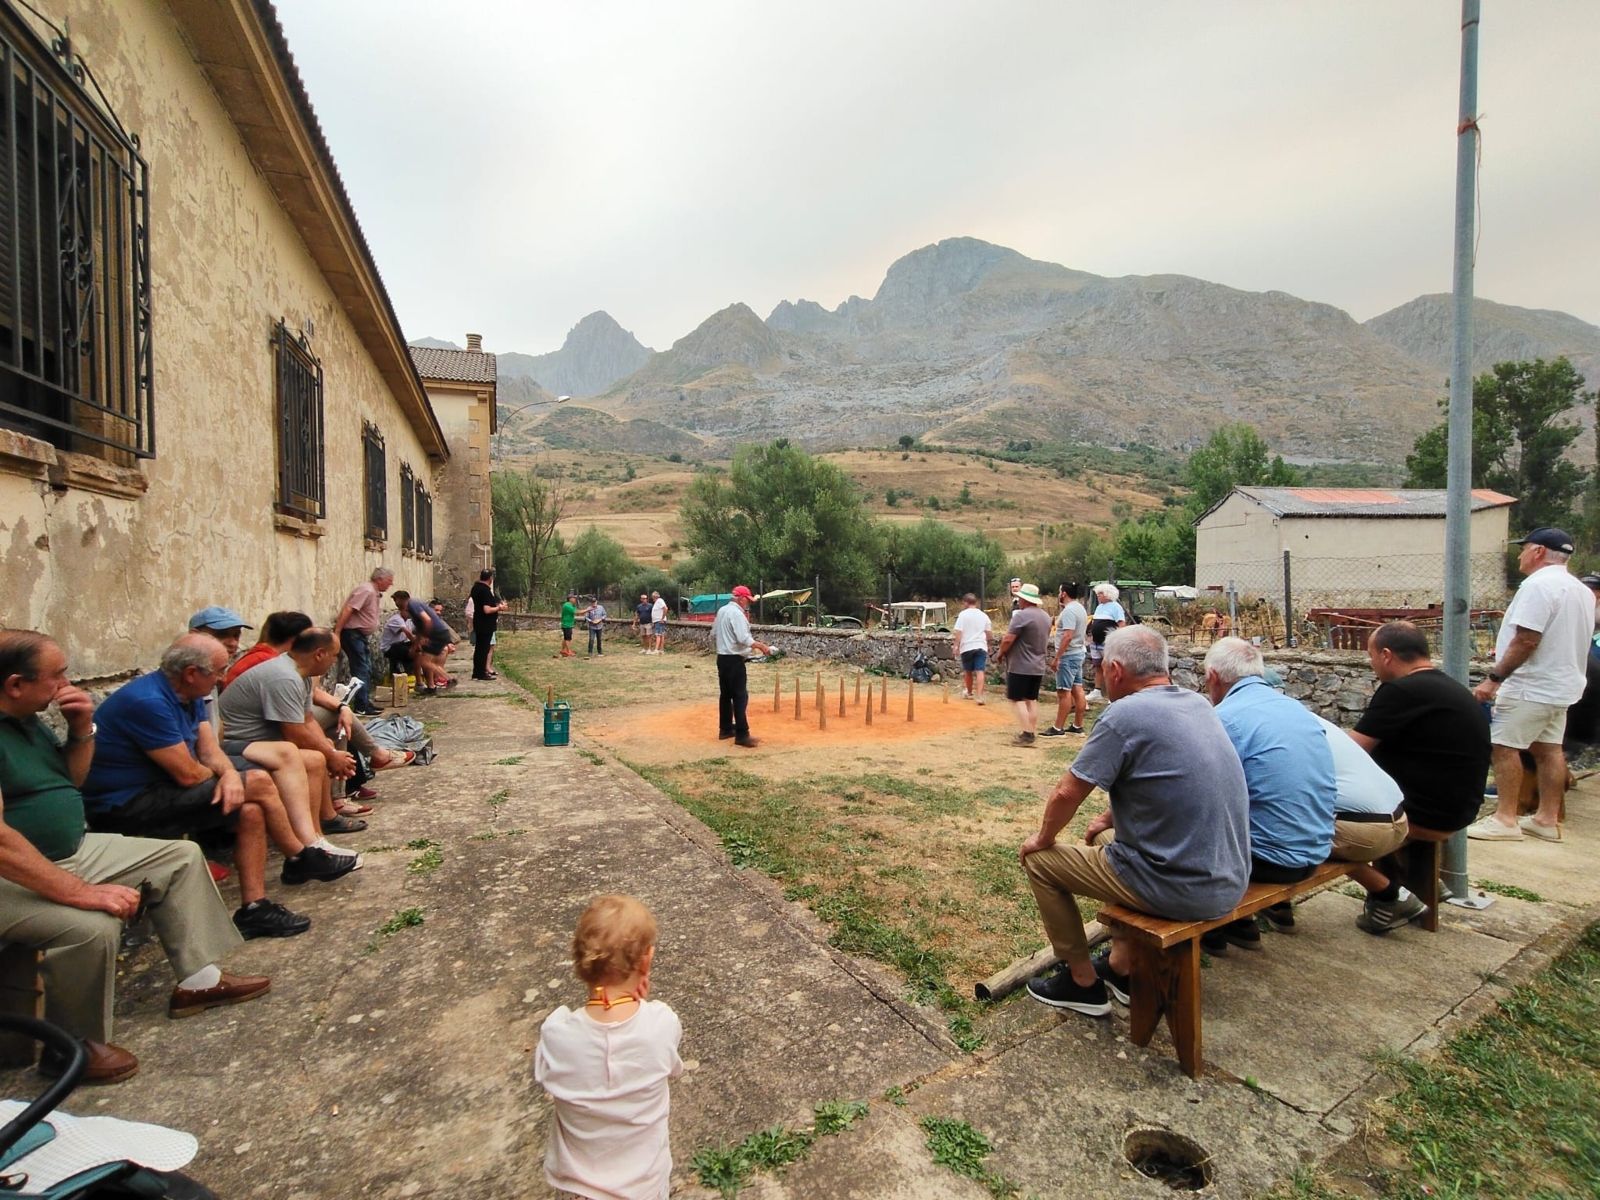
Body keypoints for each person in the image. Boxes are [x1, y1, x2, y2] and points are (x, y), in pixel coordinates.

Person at [0, 631, 272, 1084]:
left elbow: (71, 781)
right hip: (17, 872)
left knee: (181, 857)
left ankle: (199, 983)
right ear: (15, 684)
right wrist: (80, 892)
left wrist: (82, 730)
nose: (68, 682)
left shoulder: (27, 720)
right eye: (58, 674)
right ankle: (70, 1047)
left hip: (68, 850)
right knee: (89, 927)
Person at [1020, 626, 1250, 1016]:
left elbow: (1067, 793)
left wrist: (1043, 837)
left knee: (1040, 863)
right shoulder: (1197, 704)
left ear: (1114, 669)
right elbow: (1172, 782)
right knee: (1112, 841)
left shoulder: (1123, 713)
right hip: (1230, 877)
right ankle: (1121, 967)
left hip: (1182, 890)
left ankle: (1081, 983)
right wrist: (1107, 818)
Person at [80, 635, 326, 937]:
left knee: (250, 809)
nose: (223, 678)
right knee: (259, 781)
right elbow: (187, 774)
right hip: (124, 804)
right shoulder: (148, 703)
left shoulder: (191, 695)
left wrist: (231, 776)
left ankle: (254, 908)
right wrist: (233, 777)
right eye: (219, 671)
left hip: (164, 790)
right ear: (192, 673)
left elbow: (210, 752)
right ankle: (302, 856)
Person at [535, 894, 683, 1200]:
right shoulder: (661, 1024)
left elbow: (548, 1074)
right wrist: (640, 1003)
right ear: (646, 960)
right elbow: (669, 1067)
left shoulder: (557, 1032)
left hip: (581, 1187)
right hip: (646, 1184)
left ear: (581, 965)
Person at [1348, 621, 1490, 932]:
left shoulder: (1401, 691)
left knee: (1317, 827)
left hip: (1426, 814)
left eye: (1371, 657)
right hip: (1459, 807)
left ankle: (1388, 897)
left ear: (1386, 655)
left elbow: (1352, 750)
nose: (1371, 665)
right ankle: (1423, 883)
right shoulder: (1449, 686)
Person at [1201, 637, 1336, 954]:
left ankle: (1212, 929)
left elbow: (1201, 797)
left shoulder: (1227, 718)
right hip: (1316, 849)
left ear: (1212, 676)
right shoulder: (1295, 708)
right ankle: (1240, 924)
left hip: (1270, 860)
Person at [1468, 527, 1594, 842]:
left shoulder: (1537, 586)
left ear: (1538, 551)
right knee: (1548, 749)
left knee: (1503, 745)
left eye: (1524, 549)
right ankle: (1547, 819)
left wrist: (1494, 679)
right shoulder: (1578, 589)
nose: (1520, 555)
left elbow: (1527, 639)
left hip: (1531, 684)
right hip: (1563, 684)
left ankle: (1505, 819)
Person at [711, 586, 772, 748]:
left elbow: (714, 634)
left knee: (725, 695)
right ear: (741, 598)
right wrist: (762, 646)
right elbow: (743, 637)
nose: (748, 604)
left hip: (722, 658)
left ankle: (725, 729)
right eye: (747, 600)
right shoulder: (737, 613)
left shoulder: (722, 611)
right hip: (734, 660)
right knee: (740, 696)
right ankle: (742, 734)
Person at [994, 583, 1050, 747]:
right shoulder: (1046, 617)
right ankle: (1031, 731)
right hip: (1038, 664)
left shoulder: (1021, 616)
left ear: (1024, 600)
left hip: (1020, 665)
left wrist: (1001, 653)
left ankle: (1027, 734)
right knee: (1031, 699)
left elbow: (1008, 639)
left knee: (1016, 698)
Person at [332, 568, 394, 715]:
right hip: (353, 634)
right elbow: (349, 609)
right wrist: (337, 632)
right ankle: (361, 705)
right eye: (389, 581)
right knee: (361, 668)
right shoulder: (366, 590)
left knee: (365, 667)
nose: (390, 585)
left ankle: (364, 702)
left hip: (359, 635)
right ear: (380, 579)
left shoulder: (373, 592)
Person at [1043, 582, 1088, 737]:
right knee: (1077, 688)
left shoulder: (1069, 611)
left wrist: (1057, 657)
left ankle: (1058, 728)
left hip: (1068, 655)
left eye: (1059, 591)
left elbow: (1068, 635)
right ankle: (1077, 726)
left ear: (1063, 594)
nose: (1058, 594)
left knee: (1064, 691)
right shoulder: (1080, 608)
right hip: (1078, 652)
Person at [1084, 584, 1126, 703]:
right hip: (1095, 642)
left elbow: (1121, 624)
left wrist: (1117, 640)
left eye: (1100, 593)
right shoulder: (1099, 607)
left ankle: (1113, 694)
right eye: (1098, 593)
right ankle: (1097, 691)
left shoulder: (1116, 607)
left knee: (1109, 667)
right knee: (1098, 666)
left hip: (1107, 643)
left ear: (1108, 594)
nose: (1098, 596)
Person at [952, 593, 993, 705]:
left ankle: (969, 692)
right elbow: (989, 632)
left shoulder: (963, 615)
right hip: (980, 645)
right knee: (980, 670)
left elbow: (959, 632)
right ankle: (980, 696)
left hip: (967, 646)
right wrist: (989, 645)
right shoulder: (983, 615)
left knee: (968, 671)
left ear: (966, 602)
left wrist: (956, 646)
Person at [470, 569, 504, 681]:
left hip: (478, 621)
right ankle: (481, 673)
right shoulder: (485, 591)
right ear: (490, 578)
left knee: (479, 648)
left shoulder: (475, 588)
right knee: (484, 649)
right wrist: (499, 608)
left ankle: (477, 672)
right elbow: (487, 609)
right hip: (485, 624)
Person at [381, 606, 416, 682]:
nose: (409, 613)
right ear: (401, 611)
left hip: (400, 644)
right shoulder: (397, 619)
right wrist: (417, 644)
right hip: (390, 647)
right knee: (412, 651)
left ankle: (412, 672)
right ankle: (406, 673)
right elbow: (407, 633)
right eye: (407, 611)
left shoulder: (409, 620)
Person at [559, 594, 578, 658]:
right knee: (568, 639)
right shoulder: (567, 605)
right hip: (566, 624)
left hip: (568, 624)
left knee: (565, 638)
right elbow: (576, 612)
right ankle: (568, 651)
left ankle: (563, 650)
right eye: (574, 598)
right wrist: (588, 610)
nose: (575, 599)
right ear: (570, 599)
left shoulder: (571, 605)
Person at [651, 591, 669, 655]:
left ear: (654, 596)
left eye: (653, 596)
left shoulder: (659, 601)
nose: (652, 598)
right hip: (657, 621)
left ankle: (657, 650)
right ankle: (661, 650)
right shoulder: (657, 602)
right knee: (661, 635)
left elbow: (665, 608)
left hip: (659, 621)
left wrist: (662, 618)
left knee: (658, 635)